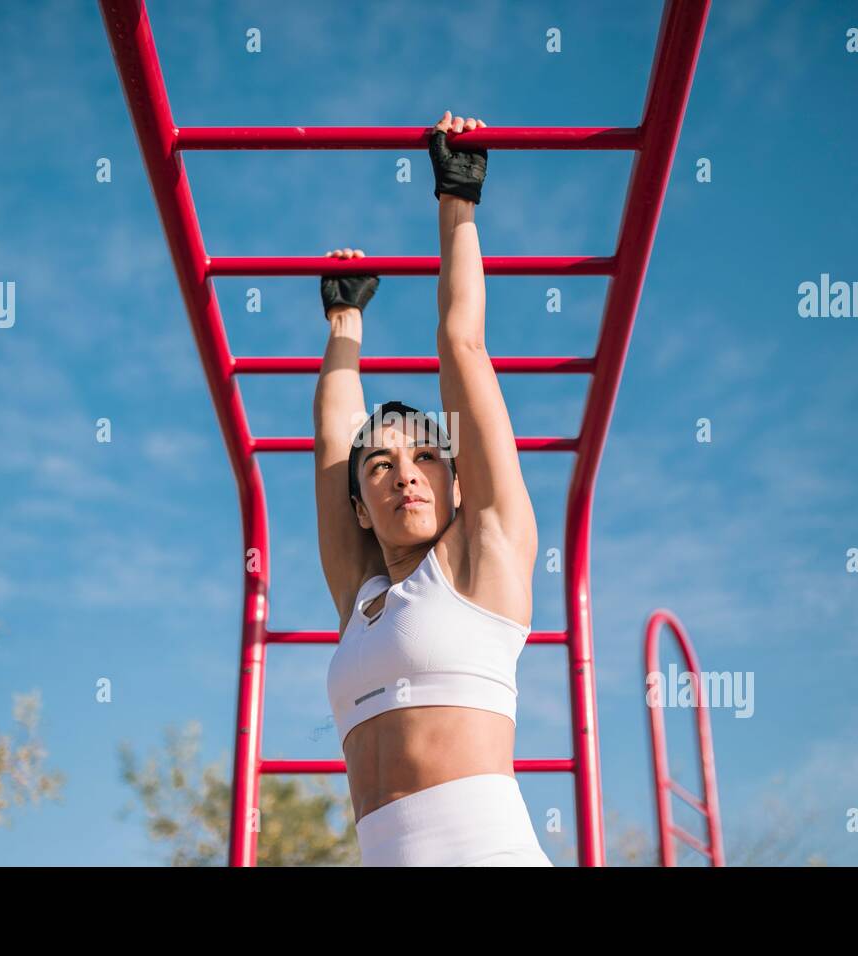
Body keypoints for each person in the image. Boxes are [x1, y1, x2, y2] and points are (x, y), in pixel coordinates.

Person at [318, 110, 552, 866]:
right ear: (360, 503)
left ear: (457, 480)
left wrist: (456, 200)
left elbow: (463, 345)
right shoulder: (360, 595)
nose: (404, 475)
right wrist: (344, 322)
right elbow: (333, 446)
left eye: (425, 457)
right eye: (380, 467)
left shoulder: (484, 557)